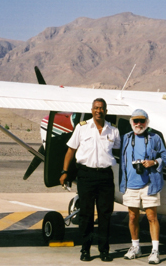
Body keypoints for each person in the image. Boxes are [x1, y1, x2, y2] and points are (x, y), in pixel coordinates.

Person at [60, 98, 120, 262]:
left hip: (106, 176)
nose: (98, 111)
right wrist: (65, 171)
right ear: (91, 110)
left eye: (101, 108)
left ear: (106, 111)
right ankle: (85, 250)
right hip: (86, 175)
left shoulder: (113, 131)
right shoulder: (82, 128)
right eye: (96, 108)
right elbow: (71, 151)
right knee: (86, 214)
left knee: (105, 215)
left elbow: (119, 150)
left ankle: (104, 250)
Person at [119, 109, 166, 264]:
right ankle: (135, 247)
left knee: (151, 217)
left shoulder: (155, 138)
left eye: (142, 121)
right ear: (131, 122)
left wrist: (154, 162)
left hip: (149, 184)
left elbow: (165, 156)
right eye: (135, 121)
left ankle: (155, 251)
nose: (138, 124)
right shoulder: (126, 138)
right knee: (133, 217)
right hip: (130, 184)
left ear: (147, 122)